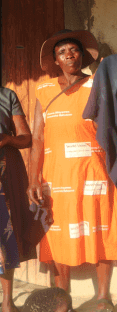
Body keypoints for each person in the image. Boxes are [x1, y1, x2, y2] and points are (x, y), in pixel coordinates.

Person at [27, 30, 117, 311]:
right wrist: (33, 178)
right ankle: (62, 299)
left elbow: (113, 123)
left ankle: (104, 296)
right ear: (55, 60)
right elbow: (37, 138)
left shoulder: (98, 84)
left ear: (82, 56)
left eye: (74, 50)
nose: (69, 55)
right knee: (58, 232)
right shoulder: (44, 90)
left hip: (93, 171)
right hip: (56, 175)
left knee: (101, 227)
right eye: (62, 52)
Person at [0, 87, 32, 312]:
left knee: (4, 232)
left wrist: (7, 138)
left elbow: (26, 138)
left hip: (4, 170)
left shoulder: (6, 95)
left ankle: (7, 302)